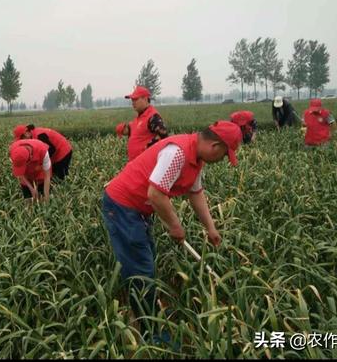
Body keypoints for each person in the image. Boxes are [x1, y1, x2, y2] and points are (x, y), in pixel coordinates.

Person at [101, 121, 242, 320]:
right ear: (215, 146)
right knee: (140, 267)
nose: (223, 159)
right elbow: (156, 194)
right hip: (122, 206)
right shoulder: (178, 153)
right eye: (225, 155)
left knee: (146, 258)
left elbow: (196, 194)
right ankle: (148, 327)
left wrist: (211, 228)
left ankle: (143, 312)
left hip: (138, 209)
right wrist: (175, 226)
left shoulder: (195, 158)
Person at [117, 86, 169, 161]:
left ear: (145, 99)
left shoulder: (152, 117)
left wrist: (146, 149)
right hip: (135, 164)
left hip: (146, 165)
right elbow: (134, 132)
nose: (133, 103)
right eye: (132, 100)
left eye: (135, 99)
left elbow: (164, 135)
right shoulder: (138, 118)